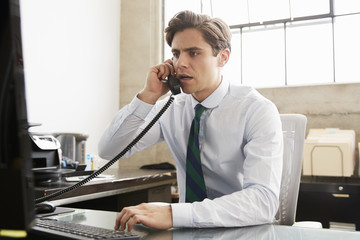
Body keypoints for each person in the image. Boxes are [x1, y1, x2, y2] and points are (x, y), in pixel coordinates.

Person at [98, 10, 283, 231]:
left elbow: (263, 202)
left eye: (193, 53)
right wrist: (148, 96)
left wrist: (173, 213)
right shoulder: (171, 107)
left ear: (223, 57)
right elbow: (109, 150)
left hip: (244, 231)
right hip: (189, 232)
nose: (181, 63)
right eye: (176, 54)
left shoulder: (256, 110)